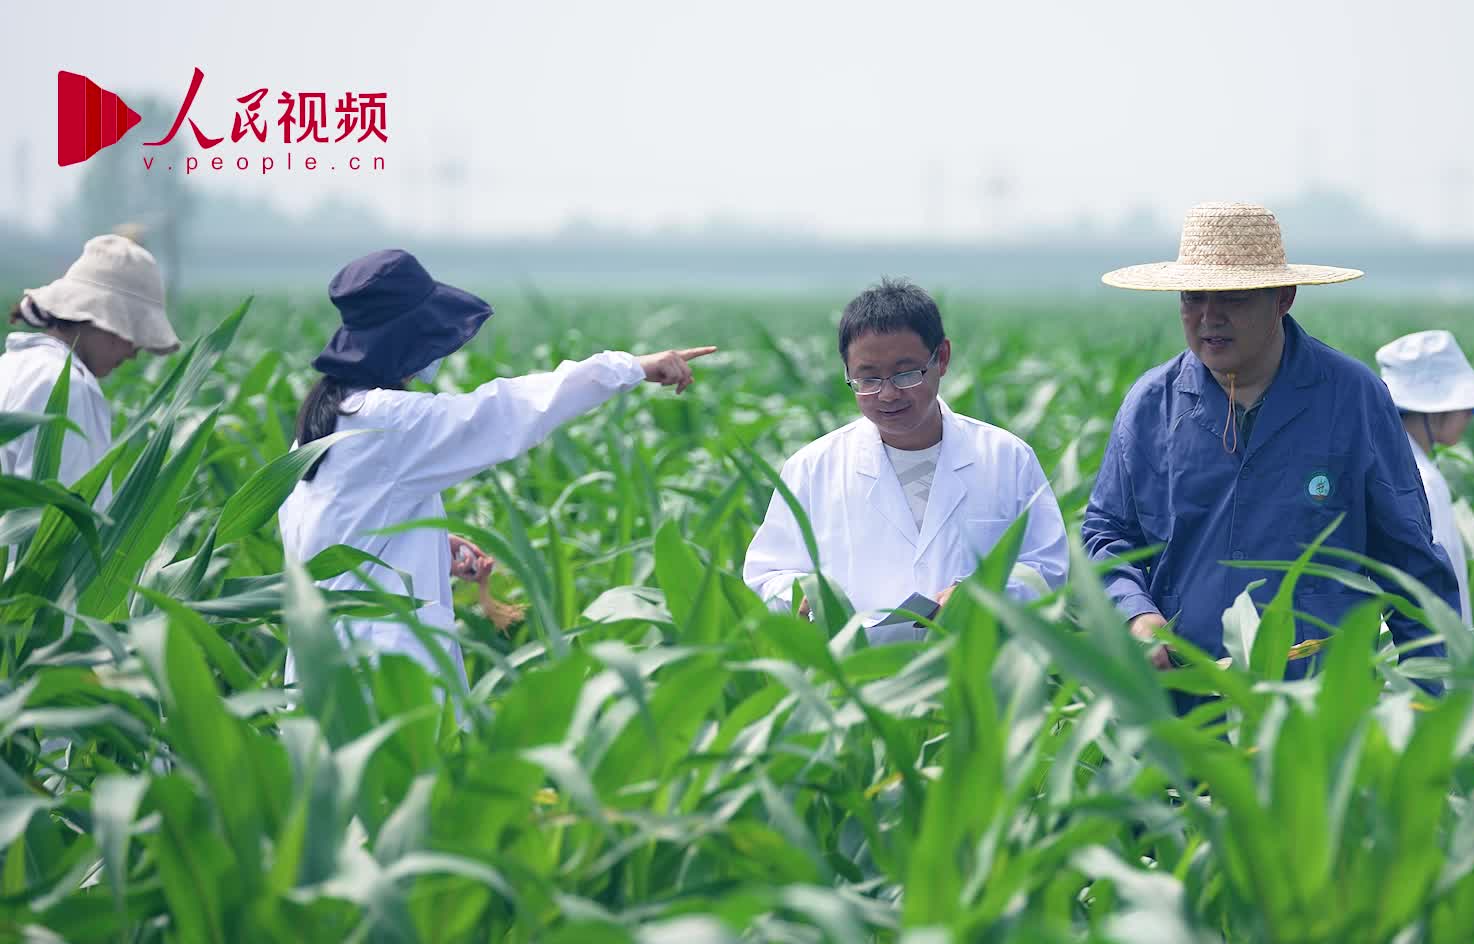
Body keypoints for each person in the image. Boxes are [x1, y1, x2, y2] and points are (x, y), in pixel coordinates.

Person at [279, 248, 713, 690]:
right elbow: (508, 411)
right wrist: (632, 367)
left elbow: (328, 532)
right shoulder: (391, 420)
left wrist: (425, 542)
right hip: (382, 675)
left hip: (322, 665)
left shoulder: (325, 421)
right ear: (409, 338)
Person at [1084, 202, 1458, 679]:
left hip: (1321, 705)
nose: (1208, 317)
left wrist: (1432, 703)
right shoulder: (1150, 406)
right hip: (1185, 701)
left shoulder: (1353, 398)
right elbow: (1107, 534)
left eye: (1233, 299)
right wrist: (1136, 614)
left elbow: (1409, 564)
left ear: (1283, 298)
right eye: (1192, 298)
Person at [742, 278, 1068, 633]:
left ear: (941, 358)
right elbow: (767, 573)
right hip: (851, 674)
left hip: (974, 670)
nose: (887, 394)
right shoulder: (812, 468)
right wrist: (801, 595)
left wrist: (982, 595)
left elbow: (1046, 568)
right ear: (847, 373)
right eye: (867, 379)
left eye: (906, 374)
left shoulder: (1007, 458)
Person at [2, 233, 181, 493]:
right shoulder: (68, 387)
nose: (133, 353)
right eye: (132, 333)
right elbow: (62, 520)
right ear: (99, 317)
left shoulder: (11, 365)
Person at [1376, 329, 1474, 627]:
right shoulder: (1421, 480)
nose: (1469, 415)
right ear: (1434, 410)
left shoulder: (1385, 461)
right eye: (1464, 406)